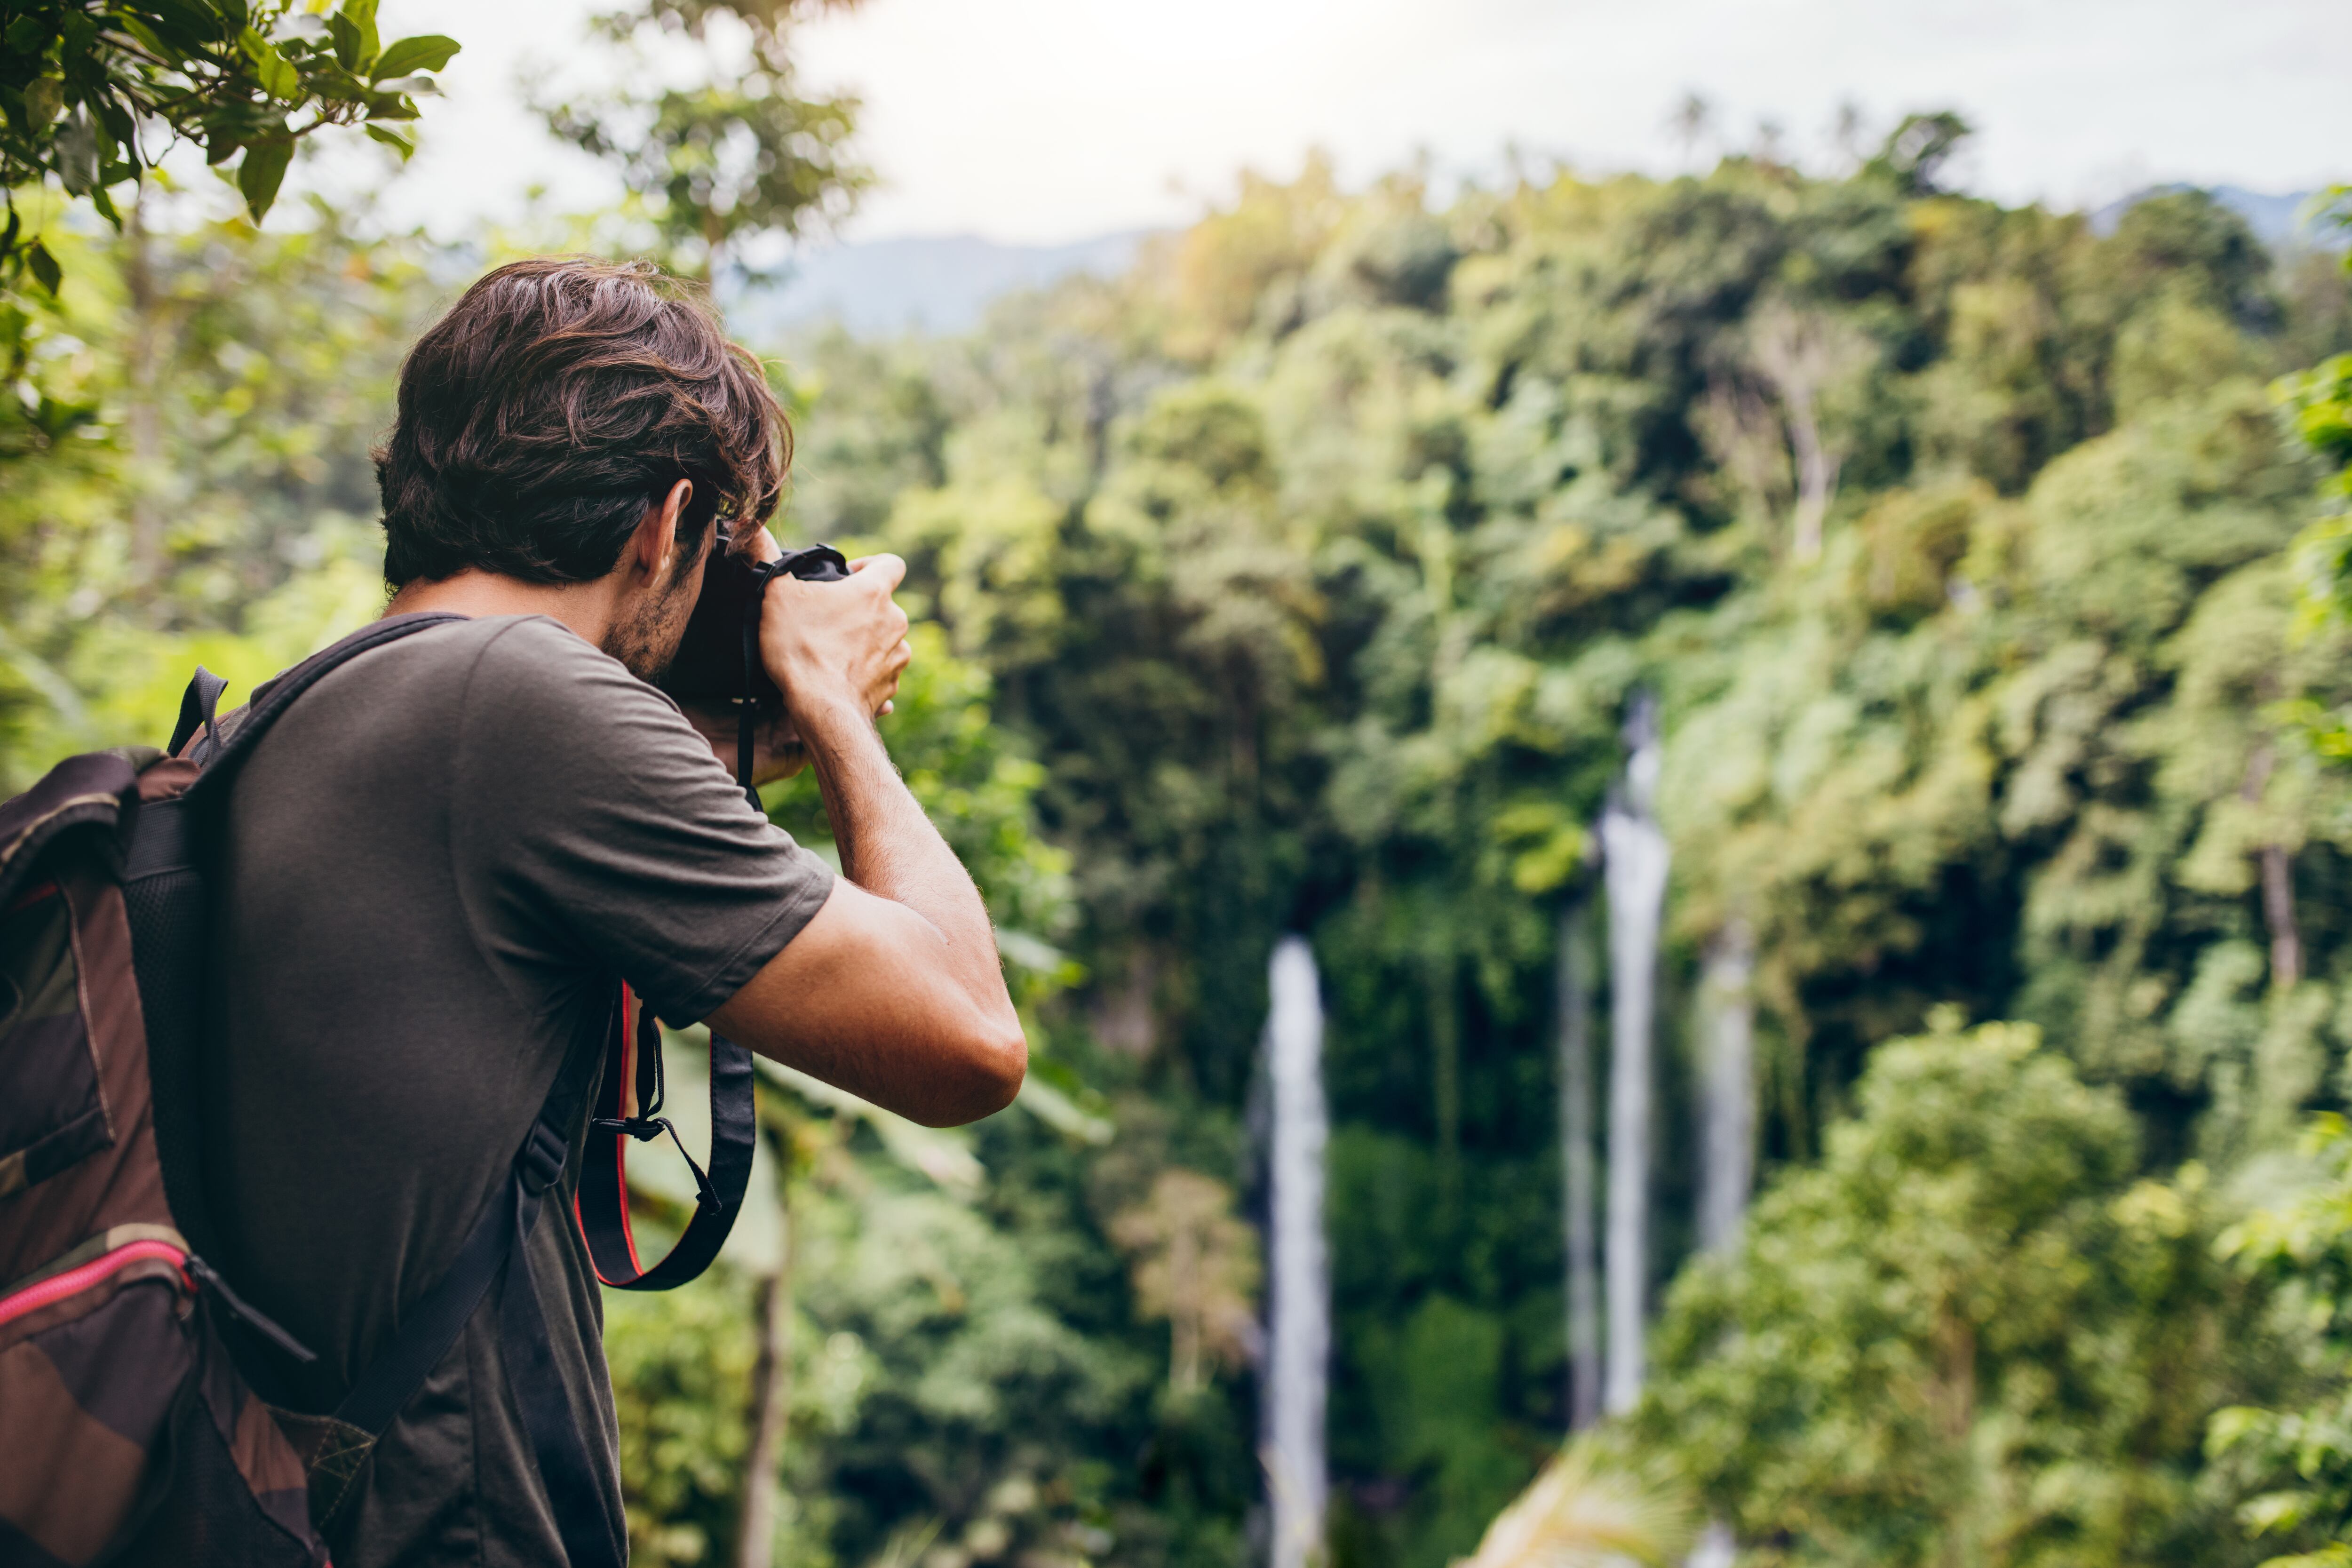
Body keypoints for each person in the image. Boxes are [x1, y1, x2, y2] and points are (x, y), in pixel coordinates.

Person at [198, 255, 1026, 1566]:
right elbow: (970, 1041)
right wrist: (824, 694)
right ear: (665, 517)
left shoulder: (299, 710)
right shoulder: (518, 701)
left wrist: (720, 735)